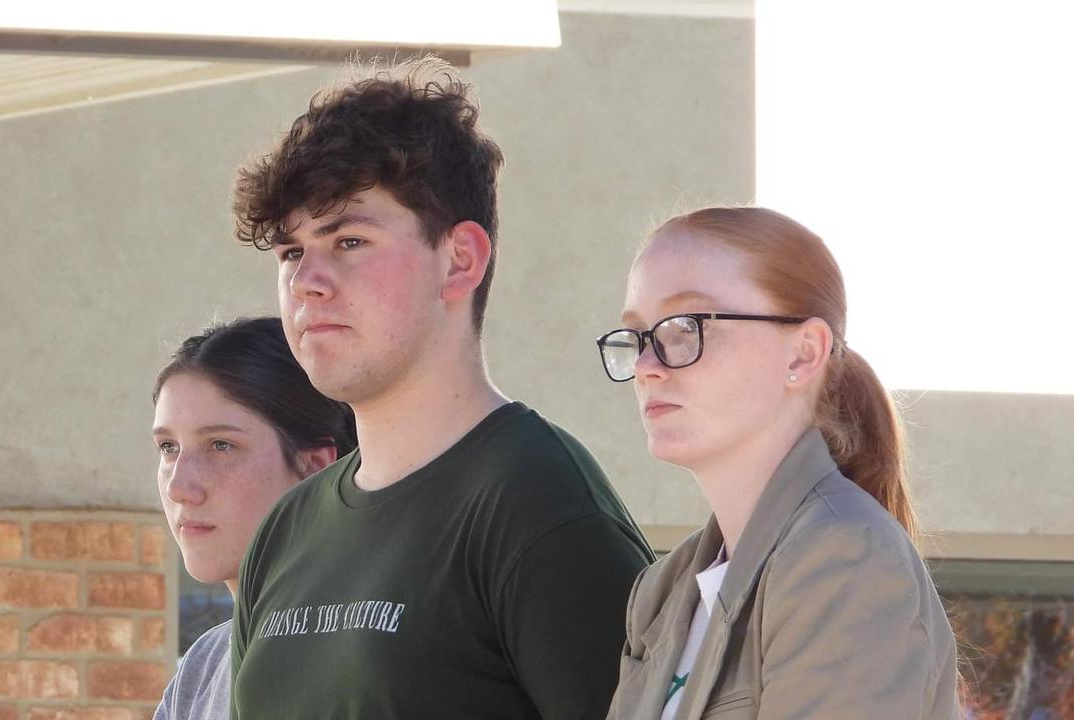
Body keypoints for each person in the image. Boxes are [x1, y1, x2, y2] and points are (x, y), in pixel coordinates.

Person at [227, 57, 654, 719]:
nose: (307, 280)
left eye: (347, 240)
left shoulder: (541, 507)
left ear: (460, 261)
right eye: (290, 252)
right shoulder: (284, 532)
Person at [598, 207, 959, 719]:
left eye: (685, 327)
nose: (646, 367)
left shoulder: (847, 559)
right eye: (638, 336)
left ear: (803, 354)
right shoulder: (663, 591)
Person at [151, 317, 355, 720]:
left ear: (315, 467)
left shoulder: (374, 658)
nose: (179, 486)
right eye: (168, 447)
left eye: (220, 445)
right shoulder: (202, 668)